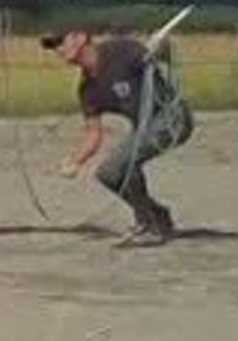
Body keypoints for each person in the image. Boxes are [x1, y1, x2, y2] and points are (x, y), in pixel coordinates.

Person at [40, 27, 195, 246]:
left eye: (60, 41)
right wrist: (76, 160)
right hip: (144, 129)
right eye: (54, 46)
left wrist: (162, 47)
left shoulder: (122, 50)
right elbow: (93, 133)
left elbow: (164, 58)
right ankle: (157, 214)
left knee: (123, 163)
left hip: (173, 120)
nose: (58, 49)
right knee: (107, 174)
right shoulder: (87, 90)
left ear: (82, 37)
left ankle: (148, 226)